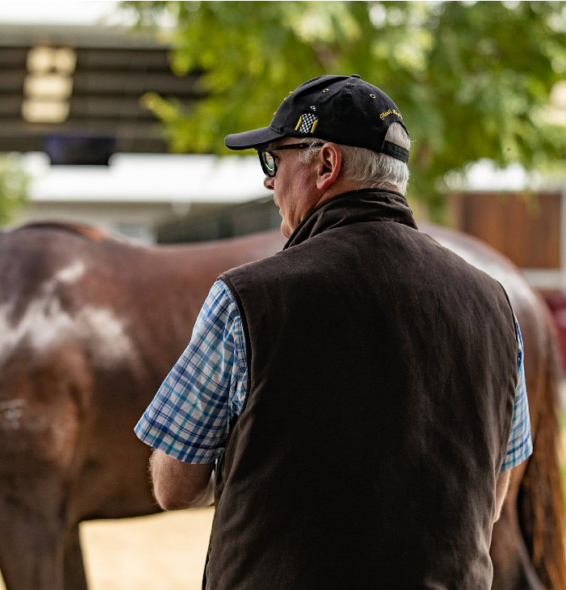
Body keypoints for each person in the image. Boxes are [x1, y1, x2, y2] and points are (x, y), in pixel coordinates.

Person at [135, 74, 532, 589]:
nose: (269, 181)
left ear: (326, 164)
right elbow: (493, 496)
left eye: (274, 160)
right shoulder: (496, 305)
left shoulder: (245, 299)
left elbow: (174, 484)